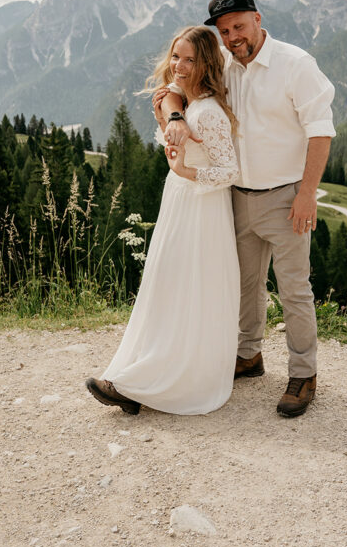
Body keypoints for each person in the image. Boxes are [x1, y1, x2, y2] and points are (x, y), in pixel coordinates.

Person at [157, 0, 335, 418]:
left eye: (238, 26)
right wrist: (177, 116)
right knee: (245, 284)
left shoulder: (296, 64)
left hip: (286, 196)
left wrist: (307, 194)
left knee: (294, 289)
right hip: (236, 197)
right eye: (224, 30)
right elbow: (174, 86)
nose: (233, 36)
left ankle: (303, 373)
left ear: (258, 18)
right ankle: (249, 355)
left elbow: (321, 131)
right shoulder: (223, 65)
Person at [85, 26, 240, 415]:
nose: (180, 66)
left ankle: (152, 382)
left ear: (206, 64)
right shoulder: (185, 105)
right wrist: (163, 118)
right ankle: (143, 376)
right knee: (170, 286)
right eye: (176, 56)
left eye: (190, 59)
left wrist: (188, 174)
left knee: (186, 289)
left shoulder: (208, 112)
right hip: (180, 202)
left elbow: (229, 171)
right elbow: (176, 152)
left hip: (201, 208)